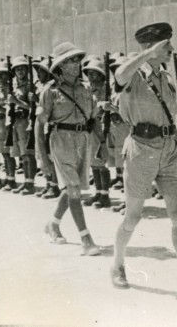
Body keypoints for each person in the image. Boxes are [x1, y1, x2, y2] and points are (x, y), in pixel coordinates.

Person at [110, 22, 177, 298]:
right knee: (132, 215)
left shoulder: (167, 76)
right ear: (152, 47)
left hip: (168, 148)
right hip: (141, 147)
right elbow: (119, 75)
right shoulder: (133, 73)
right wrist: (146, 54)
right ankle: (117, 264)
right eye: (166, 45)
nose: (171, 49)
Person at [38, 42, 102, 256]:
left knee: (71, 188)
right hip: (61, 141)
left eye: (76, 60)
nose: (75, 64)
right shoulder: (51, 91)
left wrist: (103, 143)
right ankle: (86, 238)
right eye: (69, 61)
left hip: (83, 141)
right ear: (60, 66)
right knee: (73, 188)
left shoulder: (85, 89)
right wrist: (43, 159)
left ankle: (53, 225)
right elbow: (40, 124)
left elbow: (93, 118)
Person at [102, 56, 130, 213]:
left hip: (127, 131)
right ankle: (127, 201)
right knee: (122, 167)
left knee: (129, 170)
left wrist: (112, 108)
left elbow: (132, 114)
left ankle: (131, 203)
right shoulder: (115, 89)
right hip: (116, 131)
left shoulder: (131, 88)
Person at [82, 59, 111, 209]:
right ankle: (98, 192)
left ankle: (105, 195)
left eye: (95, 73)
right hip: (90, 127)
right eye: (89, 73)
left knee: (102, 163)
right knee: (93, 162)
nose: (91, 76)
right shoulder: (87, 89)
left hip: (101, 126)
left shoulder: (106, 89)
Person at [32, 57, 61, 199]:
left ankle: (54, 186)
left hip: (50, 126)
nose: (38, 74)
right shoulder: (40, 86)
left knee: (50, 156)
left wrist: (35, 100)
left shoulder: (53, 88)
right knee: (42, 155)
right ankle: (49, 183)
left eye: (41, 71)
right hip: (41, 125)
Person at [9, 56, 37, 195]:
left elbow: (31, 107)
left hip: (25, 121)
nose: (20, 71)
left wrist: (16, 102)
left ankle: (30, 183)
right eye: (17, 69)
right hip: (16, 122)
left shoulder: (29, 86)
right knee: (22, 154)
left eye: (22, 68)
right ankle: (26, 181)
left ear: (27, 70)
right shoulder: (14, 86)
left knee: (28, 154)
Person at [0, 61, 16, 190]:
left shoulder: (10, 90)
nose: (0, 77)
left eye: (3, 74)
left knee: (7, 153)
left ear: (8, 76)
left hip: (5, 123)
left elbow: (8, 110)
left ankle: (10, 179)